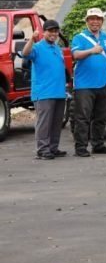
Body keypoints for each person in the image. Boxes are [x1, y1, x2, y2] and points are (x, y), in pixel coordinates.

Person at [70, 7, 106, 157]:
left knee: (101, 116)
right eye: (92, 19)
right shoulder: (79, 38)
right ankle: (81, 147)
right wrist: (91, 51)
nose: (95, 22)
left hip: (104, 83)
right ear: (87, 21)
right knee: (82, 117)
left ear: (102, 21)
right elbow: (76, 55)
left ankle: (98, 144)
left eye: (98, 19)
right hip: (84, 85)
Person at [22, 19, 68, 160]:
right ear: (44, 32)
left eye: (56, 31)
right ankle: (42, 149)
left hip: (59, 92)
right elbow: (25, 53)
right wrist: (32, 38)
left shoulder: (57, 48)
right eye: (50, 31)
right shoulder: (37, 47)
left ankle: (53, 147)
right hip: (43, 92)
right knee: (44, 122)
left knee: (56, 122)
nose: (53, 34)